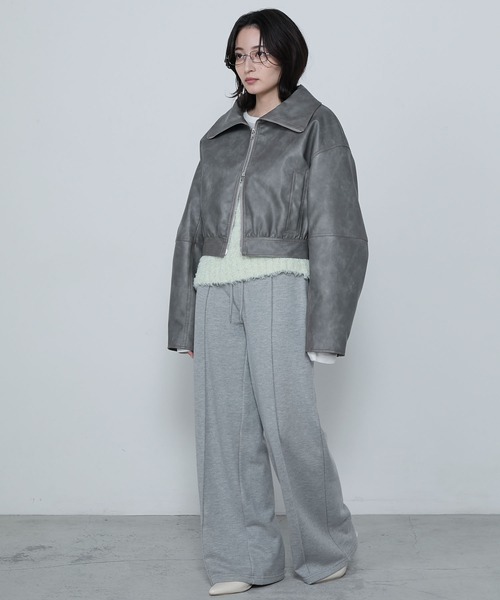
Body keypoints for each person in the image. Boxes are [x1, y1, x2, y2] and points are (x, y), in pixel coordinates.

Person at [168, 8, 368, 596]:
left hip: (279, 282)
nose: (248, 64)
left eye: (260, 52)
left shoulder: (316, 125)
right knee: (224, 432)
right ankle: (240, 559)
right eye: (240, 54)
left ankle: (325, 548)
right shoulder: (220, 136)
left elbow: (338, 227)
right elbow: (190, 229)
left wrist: (328, 329)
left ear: (286, 54)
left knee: (289, 424)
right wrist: (185, 321)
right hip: (215, 289)